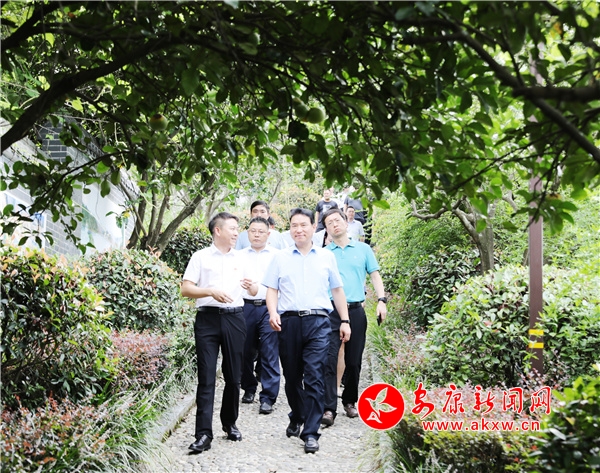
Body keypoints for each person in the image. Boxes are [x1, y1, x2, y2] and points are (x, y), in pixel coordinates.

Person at [263, 208, 351, 454]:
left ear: (314, 227)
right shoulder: (280, 257)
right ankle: (297, 414)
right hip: (288, 322)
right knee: (292, 378)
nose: (298, 230)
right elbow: (272, 289)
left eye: (303, 225)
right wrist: (272, 312)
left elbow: (337, 291)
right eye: (294, 225)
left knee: (314, 376)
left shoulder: (326, 257)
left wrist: (345, 320)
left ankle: (311, 432)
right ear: (289, 229)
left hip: (319, 322)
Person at [181, 212, 258, 453]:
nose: (237, 233)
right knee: (206, 377)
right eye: (232, 228)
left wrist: (251, 286)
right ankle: (203, 434)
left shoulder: (242, 258)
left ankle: (229, 423)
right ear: (218, 230)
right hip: (207, 320)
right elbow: (186, 289)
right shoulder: (200, 257)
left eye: (237, 229)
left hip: (235, 318)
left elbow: (254, 290)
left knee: (234, 376)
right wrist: (210, 291)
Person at [320, 208, 387, 426]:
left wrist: (381, 300)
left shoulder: (363, 249)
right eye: (329, 223)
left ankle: (350, 401)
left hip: (356, 310)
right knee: (329, 359)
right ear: (326, 229)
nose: (334, 224)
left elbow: (375, 275)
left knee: (354, 360)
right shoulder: (324, 254)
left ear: (346, 223)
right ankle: (328, 407)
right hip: (331, 311)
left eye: (337, 220)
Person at [239, 217, 281, 415]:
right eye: (253, 231)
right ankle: (249, 387)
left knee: (269, 351)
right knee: (244, 350)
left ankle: (268, 397)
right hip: (245, 306)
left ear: (268, 234)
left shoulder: (277, 256)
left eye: (260, 231)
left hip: (269, 307)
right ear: (247, 232)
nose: (256, 235)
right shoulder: (238, 256)